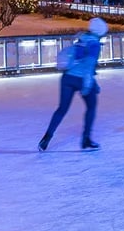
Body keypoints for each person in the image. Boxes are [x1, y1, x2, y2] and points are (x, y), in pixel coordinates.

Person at [38, 17, 107, 152]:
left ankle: (46, 138)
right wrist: (89, 84)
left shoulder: (82, 38)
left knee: (62, 109)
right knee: (91, 107)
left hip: (67, 78)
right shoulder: (94, 44)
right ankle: (86, 139)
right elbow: (89, 65)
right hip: (81, 79)